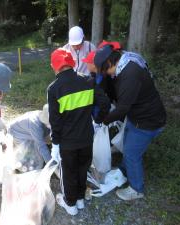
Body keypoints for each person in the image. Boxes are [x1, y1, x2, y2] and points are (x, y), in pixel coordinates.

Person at [94, 44, 166, 201]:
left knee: (132, 154)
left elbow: (122, 109)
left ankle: (136, 189)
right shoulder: (126, 60)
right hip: (138, 116)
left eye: (106, 70)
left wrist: (103, 122)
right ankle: (124, 171)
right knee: (127, 145)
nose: (107, 74)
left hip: (148, 121)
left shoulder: (129, 74)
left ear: (110, 63)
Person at [48, 48, 94, 216]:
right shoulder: (88, 81)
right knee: (83, 169)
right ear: (71, 63)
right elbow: (102, 103)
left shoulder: (54, 89)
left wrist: (55, 143)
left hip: (68, 142)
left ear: (55, 66)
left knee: (68, 172)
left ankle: (70, 204)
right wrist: (96, 120)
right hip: (87, 137)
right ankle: (80, 199)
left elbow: (55, 121)